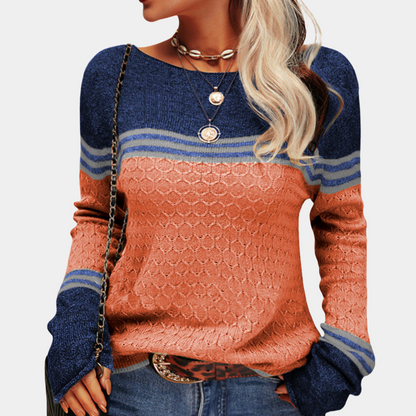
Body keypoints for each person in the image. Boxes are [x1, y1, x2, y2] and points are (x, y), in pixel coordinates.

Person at [46, 0, 375, 415]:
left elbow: (340, 220)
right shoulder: (115, 76)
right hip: (131, 392)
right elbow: (98, 216)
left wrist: (346, 350)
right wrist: (73, 333)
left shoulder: (318, 76)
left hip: (268, 394)